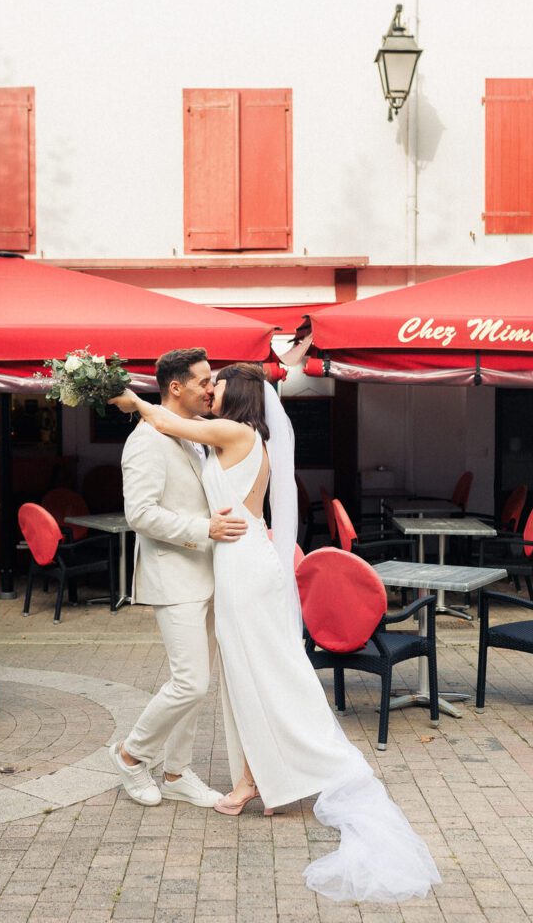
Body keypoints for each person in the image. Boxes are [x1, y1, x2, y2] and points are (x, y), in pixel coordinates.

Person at [109, 363, 441, 903]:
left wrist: (129, 399)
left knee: (257, 673)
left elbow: (165, 421)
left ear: (233, 395)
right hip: (235, 564)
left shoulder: (233, 432)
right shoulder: (235, 438)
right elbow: (161, 493)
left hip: (241, 568)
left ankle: (250, 775)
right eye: (202, 382)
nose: (208, 389)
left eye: (214, 384)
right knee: (245, 676)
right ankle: (250, 777)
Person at [108, 348, 248, 809]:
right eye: (205, 381)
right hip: (174, 577)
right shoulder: (146, 439)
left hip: (212, 574)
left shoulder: (194, 436)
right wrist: (202, 529)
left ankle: (176, 771)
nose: (211, 389)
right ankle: (132, 756)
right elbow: (140, 514)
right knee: (189, 682)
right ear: (175, 387)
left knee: (197, 681)